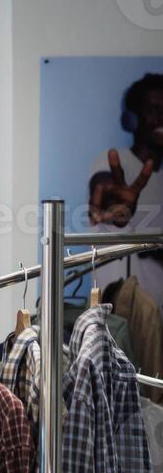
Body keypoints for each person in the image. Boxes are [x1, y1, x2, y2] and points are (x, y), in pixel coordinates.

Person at [88, 71, 161, 305]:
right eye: (152, 110)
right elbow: (103, 185)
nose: (162, 118)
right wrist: (116, 207)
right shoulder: (110, 160)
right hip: (118, 319)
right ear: (132, 119)